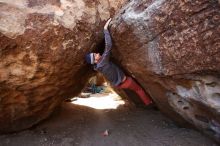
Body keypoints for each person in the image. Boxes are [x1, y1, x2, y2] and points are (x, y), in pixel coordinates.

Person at [85, 18, 153, 106]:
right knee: (138, 89)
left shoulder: (98, 67)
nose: (98, 53)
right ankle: (149, 103)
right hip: (126, 81)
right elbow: (108, 46)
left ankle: (141, 102)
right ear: (94, 60)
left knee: (134, 89)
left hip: (120, 84)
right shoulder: (103, 62)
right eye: (95, 55)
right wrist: (105, 29)